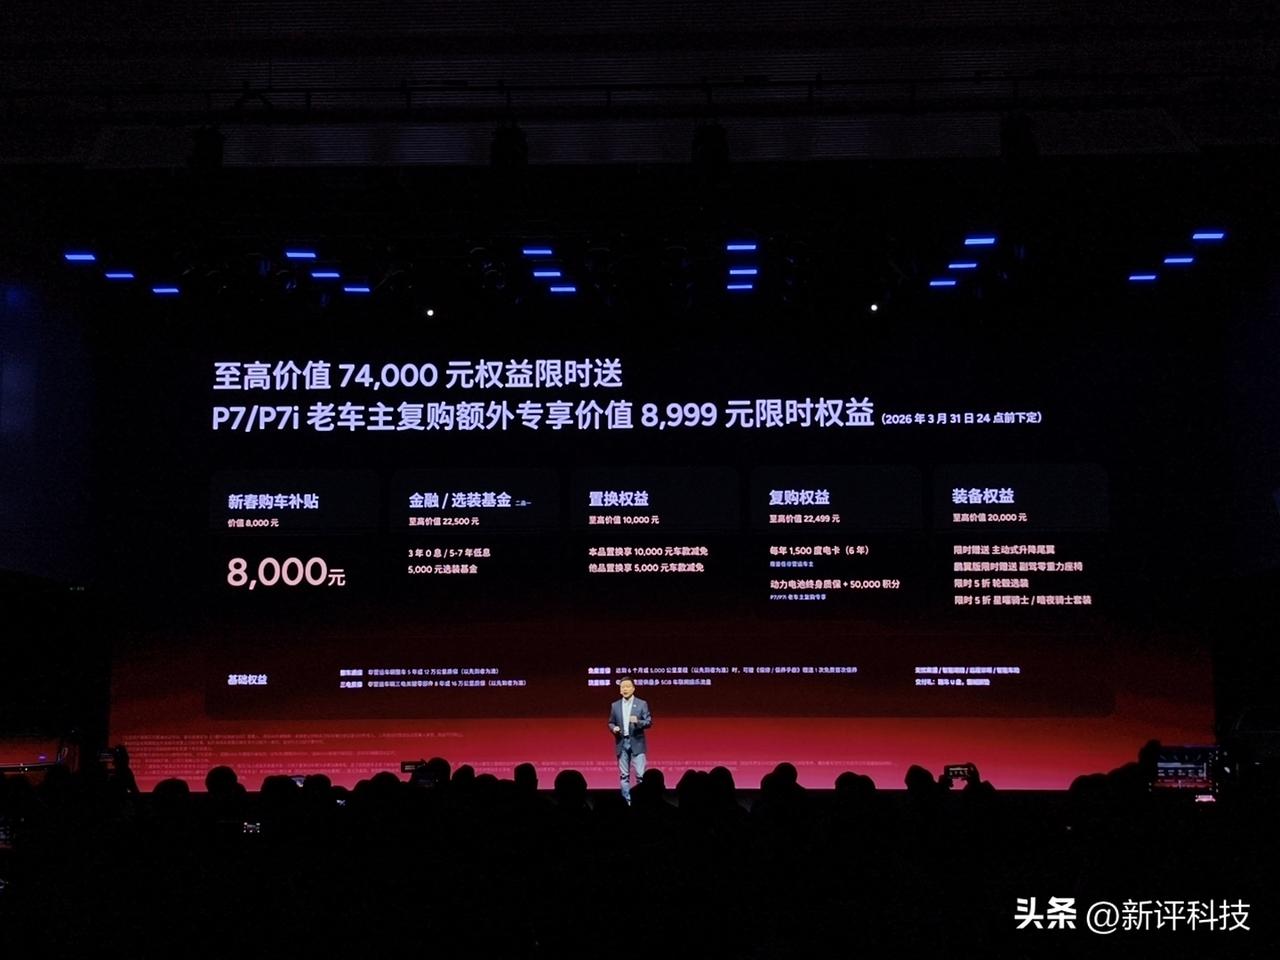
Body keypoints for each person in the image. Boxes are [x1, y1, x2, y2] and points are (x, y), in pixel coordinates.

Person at [607, 676, 652, 804]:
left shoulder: (642, 704)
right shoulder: (615, 705)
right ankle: (627, 802)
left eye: (627, 686)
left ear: (633, 688)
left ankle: (642, 801)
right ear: (620, 690)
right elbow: (610, 722)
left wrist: (638, 722)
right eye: (622, 687)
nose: (625, 689)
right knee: (624, 775)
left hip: (637, 743)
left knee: (641, 775)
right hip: (622, 743)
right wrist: (614, 728)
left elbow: (649, 722)